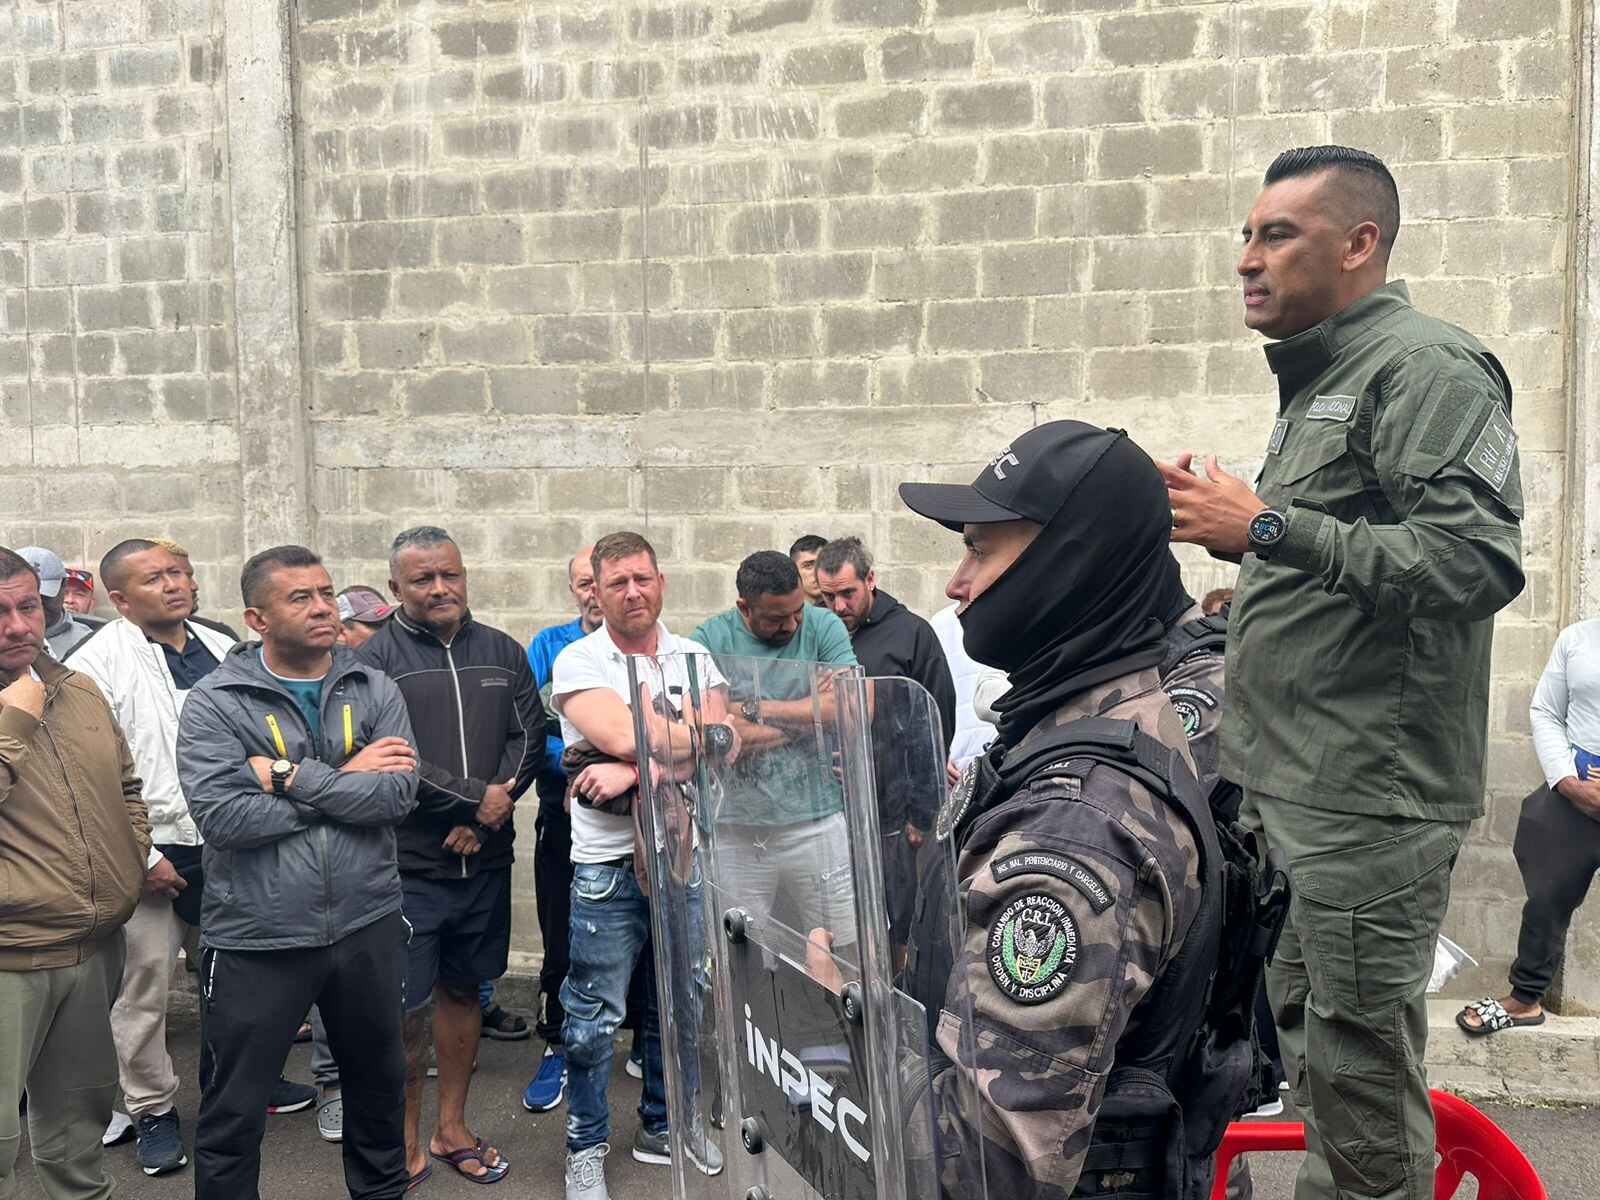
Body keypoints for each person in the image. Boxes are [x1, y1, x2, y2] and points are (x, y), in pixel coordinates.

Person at [1163, 145, 1524, 1200]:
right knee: (1313, 1060)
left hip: (1367, 797)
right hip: (1293, 784)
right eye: (1245, 234)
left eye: (1276, 234)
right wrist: (1236, 533)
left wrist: (1267, 522)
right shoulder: (1327, 378)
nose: (1246, 258)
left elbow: (1472, 561)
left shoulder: (1426, 369)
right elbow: (1347, 555)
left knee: (1359, 1079)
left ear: (1358, 243)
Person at [894, 422, 1219, 1197]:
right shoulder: (1079, 721)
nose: (955, 582)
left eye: (979, 548)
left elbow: (985, 1167)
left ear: (1068, 563)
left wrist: (839, 1035)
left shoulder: (1078, 822)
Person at [175, 545, 418, 1200]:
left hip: (366, 927)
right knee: (233, 1112)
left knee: (378, 1095)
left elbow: (395, 799)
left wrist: (284, 776)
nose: (323, 608)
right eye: (300, 597)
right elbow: (226, 820)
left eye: (326, 592)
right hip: (259, 938)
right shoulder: (216, 702)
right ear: (258, 617)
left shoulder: (374, 686)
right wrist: (345, 782)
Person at [356, 526, 542, 1187]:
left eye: (450, 575)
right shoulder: (373, 660)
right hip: (410, 868)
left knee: (466, 990)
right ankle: (404, 1139)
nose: (440, 588)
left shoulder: (503, 651)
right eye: (422, 579)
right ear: (395, 588)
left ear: (465, 575)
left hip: (484, 863)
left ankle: (451, 1127)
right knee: (404, 1011)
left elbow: (528, 735)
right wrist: (474, 804)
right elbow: (388, 756)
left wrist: (488, 816)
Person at [552, 531, 730, 1200]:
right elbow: (634, 731)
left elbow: (726, 740)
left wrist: (630, 767)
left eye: (643, 579)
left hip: (684, 855)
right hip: (609, 865)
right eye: (617, 582)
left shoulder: (694, 655)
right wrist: (668, 744)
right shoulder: (580, 660)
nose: (632, 592)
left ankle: (667, 1125)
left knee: (682, 1003)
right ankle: (585, 1146)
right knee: (594, 1018)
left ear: (662, 584)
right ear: (596, 591)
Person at [67, 539, 251, 1177]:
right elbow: (92, 778)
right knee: (143, 989)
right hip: (149, 853)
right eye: (155, 578)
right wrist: (141, 857)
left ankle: (236, 1088)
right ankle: (153, 1110)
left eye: (180, 573)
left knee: (233, 981)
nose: (174, 585)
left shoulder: (224, 647)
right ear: (118, 599)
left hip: (228, 843)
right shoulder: (96, 664)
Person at [0, 545, 149, 1200]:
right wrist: (15, 717)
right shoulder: (26, 705)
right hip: (9, 959)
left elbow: (127, 787)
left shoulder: (77, 688)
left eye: (27, 606)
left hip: (93, 949)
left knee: (78, 1135)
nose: (17, 626)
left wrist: (130, 859)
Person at [692, 550, 860, 937]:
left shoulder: (823, 626)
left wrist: (752, 708)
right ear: (743, 608)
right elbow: (718, 733)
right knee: (742, 955)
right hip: (736, 830)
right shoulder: (708, 639)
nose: (791, 624)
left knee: (844, 946)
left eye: (797, 611)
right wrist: (811, 714)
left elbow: (852, 709)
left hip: (818, 822)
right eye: (775, 618)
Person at [1458, 618, 1600, 1036]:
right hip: (1574, 794)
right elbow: (1546, 711)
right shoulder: (1577, 638)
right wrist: (1568, 782)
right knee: (1546, 901)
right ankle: (1525, 999)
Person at [815, 536, 955, 953]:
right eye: (828, 597)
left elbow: (936, 722)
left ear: (870, 579)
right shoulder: (821, 636)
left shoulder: (912, 634)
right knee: (849, 925)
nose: (839, 607)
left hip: (897, 816)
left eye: (847, 593)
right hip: (835, 811)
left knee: (900, 925)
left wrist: (922, 813)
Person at [519, 546, 602, 1114]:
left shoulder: (646, 652)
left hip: (635, 823)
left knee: (640, 940)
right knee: (561, 934)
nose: (595, 591)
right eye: (584, 583)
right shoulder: (548, 647)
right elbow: (528, 730)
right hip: (564, 818)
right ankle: (556, 1046)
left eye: (604, 580)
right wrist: (584, 761)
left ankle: (643, 1048)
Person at [930, 600, 993, 771]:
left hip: (1006, 753)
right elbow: (930, 695)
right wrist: (939, 754)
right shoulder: (942, 624)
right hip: (957, 761)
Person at [153, 540, 241, 643]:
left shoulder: (221, 638)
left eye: (188, 577)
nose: (194, 586)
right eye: (177, 575)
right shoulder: (131, 648)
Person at [17, 547, 96, 659]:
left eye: (45, 597)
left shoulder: (88, 642)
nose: (37, 606)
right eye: (25, 602)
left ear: (64, 585)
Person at [788, 534, 826, 606]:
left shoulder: (842, 610)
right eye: (808, 566)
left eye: (822, 563)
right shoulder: (786, 612)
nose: (817, 572)